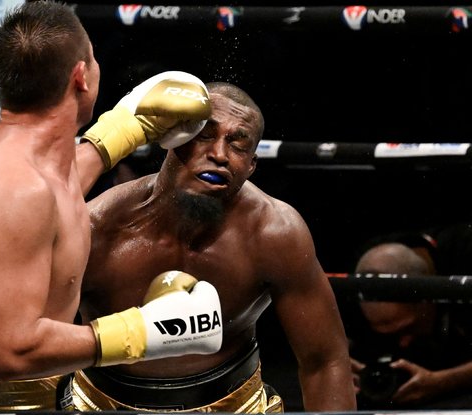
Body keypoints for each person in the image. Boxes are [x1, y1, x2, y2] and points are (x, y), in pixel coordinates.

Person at [0, 1, 223, 411]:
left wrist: (127, 127)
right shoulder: (15, 189)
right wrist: (146, 331)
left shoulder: (33, 157)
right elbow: (11, 352)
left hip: (37, 395)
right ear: (81, 76)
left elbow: (57, 190)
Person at [65, 82, 357, 412]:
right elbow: (25, 346)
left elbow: (324, 361)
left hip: (236, 405)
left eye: (237, 144)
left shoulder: (273, 233)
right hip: (102, 404)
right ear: (174, 139)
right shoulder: (99, 228)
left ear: (251, 166)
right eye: (205, 135)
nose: (219, 154)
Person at [349, 241, 472, 409]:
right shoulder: (350, 285)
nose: (403, 343)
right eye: (388, 335)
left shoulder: (463, 262)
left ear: (428, 301)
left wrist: (445, 380)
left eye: (408, 328)